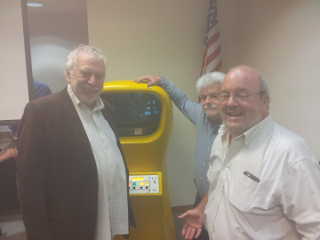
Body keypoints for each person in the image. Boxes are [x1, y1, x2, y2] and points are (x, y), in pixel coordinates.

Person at [180, 65, 320, 239]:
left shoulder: (290, 154)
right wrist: (202, 209)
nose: (231, 102)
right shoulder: (222, 136)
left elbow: (315, 231)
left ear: (264, 101)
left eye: (242, 94)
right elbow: (218, 184)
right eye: (225, 95)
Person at [17, 45, 134, 240]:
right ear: (68, 74)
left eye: (100, 76)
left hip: (111, 222)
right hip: (70, 227)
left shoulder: (107, 110)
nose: (93, 81)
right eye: (86, 73)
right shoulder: (41, 112)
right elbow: (29, 184)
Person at [136, 73, 224, 240]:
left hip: (223, 200)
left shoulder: (235, 127)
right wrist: (162, 81)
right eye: (203, 97)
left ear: (227, 96)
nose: (207, 101)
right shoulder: (202, 114)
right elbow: (182, 101)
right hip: (202, 193)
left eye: (214, 96)